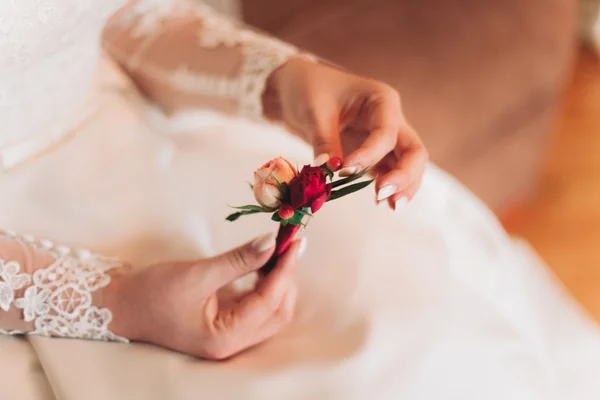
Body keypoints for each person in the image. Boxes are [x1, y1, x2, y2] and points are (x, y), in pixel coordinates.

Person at [0, 1, 598, 398]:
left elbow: (119, 14)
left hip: (132, 139)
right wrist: (114, 304)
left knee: (426, 337)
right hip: (23, 249)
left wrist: (287, 82)